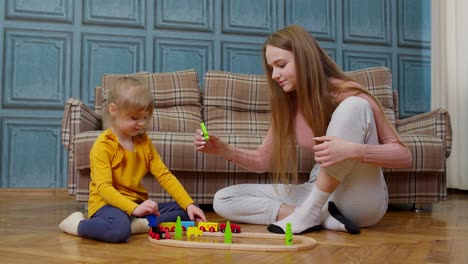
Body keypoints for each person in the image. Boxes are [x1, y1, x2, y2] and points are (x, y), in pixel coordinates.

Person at [193, 25, 411, 235]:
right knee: (223, 199)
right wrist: (223, 149)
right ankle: (317, 217)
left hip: (360, 200)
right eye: (271, 69)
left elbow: (404, 156)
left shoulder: (352, 95)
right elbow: (262, 161)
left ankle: (311, 212)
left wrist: (353, 150)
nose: (275, 75)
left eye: (281, 65)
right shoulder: (288, 105)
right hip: (319, 194)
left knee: (354, 106)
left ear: (305, 59)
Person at [60, 77, 206, 243]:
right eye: (135, 118)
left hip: (135, 203)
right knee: (118, 231)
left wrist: (189, 204)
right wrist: (134, 208)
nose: (141, 124)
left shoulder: (144, 142)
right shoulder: (103, 145)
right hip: (107, 205)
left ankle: (138, 222)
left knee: (189, 211)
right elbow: (104, 189)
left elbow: (164, 175)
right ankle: (77, 225)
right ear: (113, 110)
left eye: (145, 118)